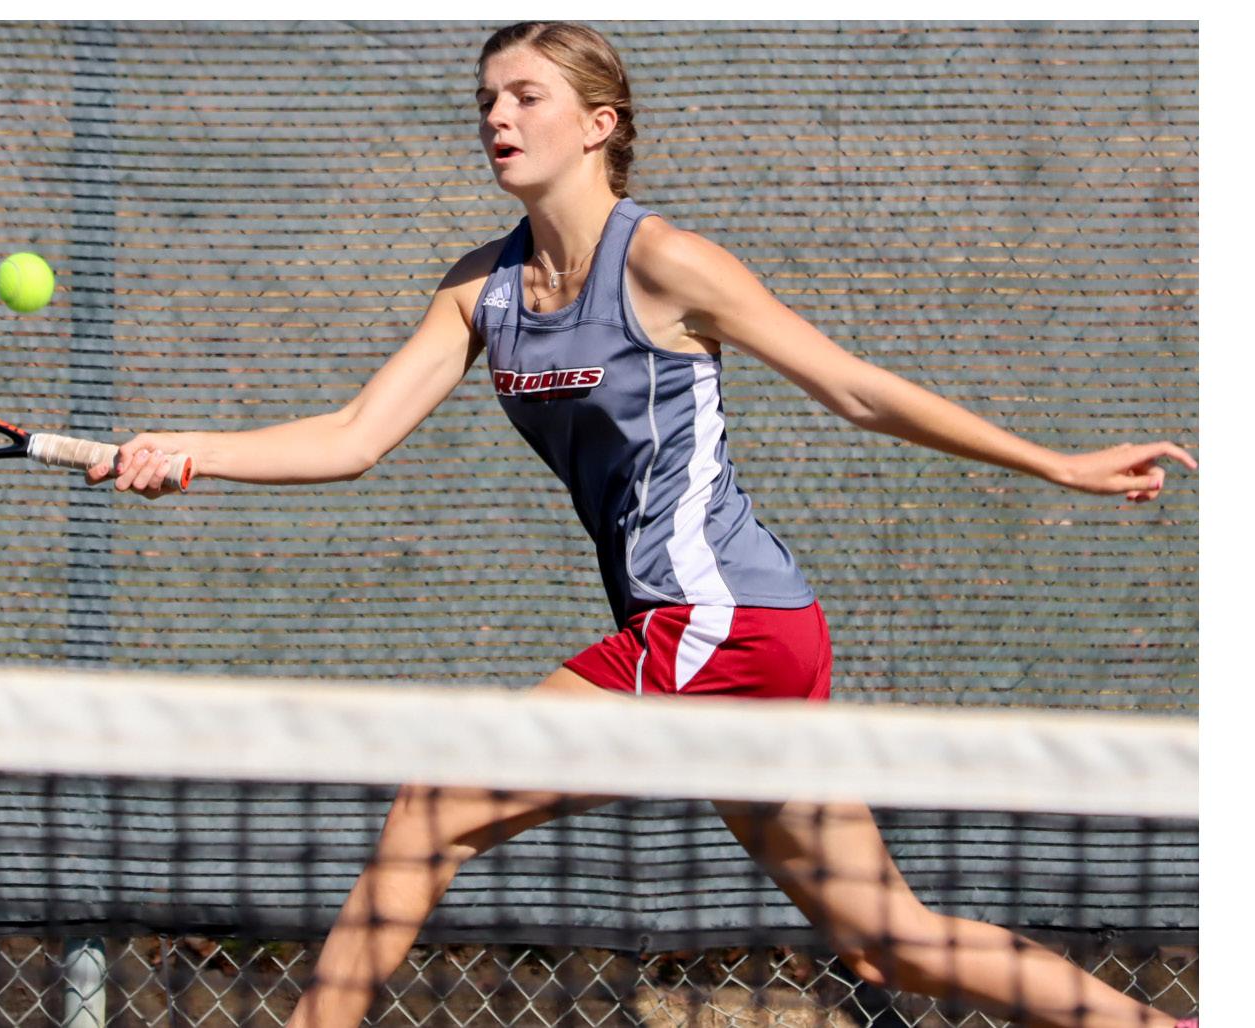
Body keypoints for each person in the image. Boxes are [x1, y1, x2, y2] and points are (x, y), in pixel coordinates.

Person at [88, 22, 1198, 1028]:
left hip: (721, 620)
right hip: (730, 632)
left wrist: (1052, 461)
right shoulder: (481, 290)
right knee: (887, 942)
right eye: (486, 99)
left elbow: (853, 388)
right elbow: (351, 435)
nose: (497, 117)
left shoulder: (666, 262)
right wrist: (193, 449)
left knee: (432, 806)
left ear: (598, 124)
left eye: (525, 96)